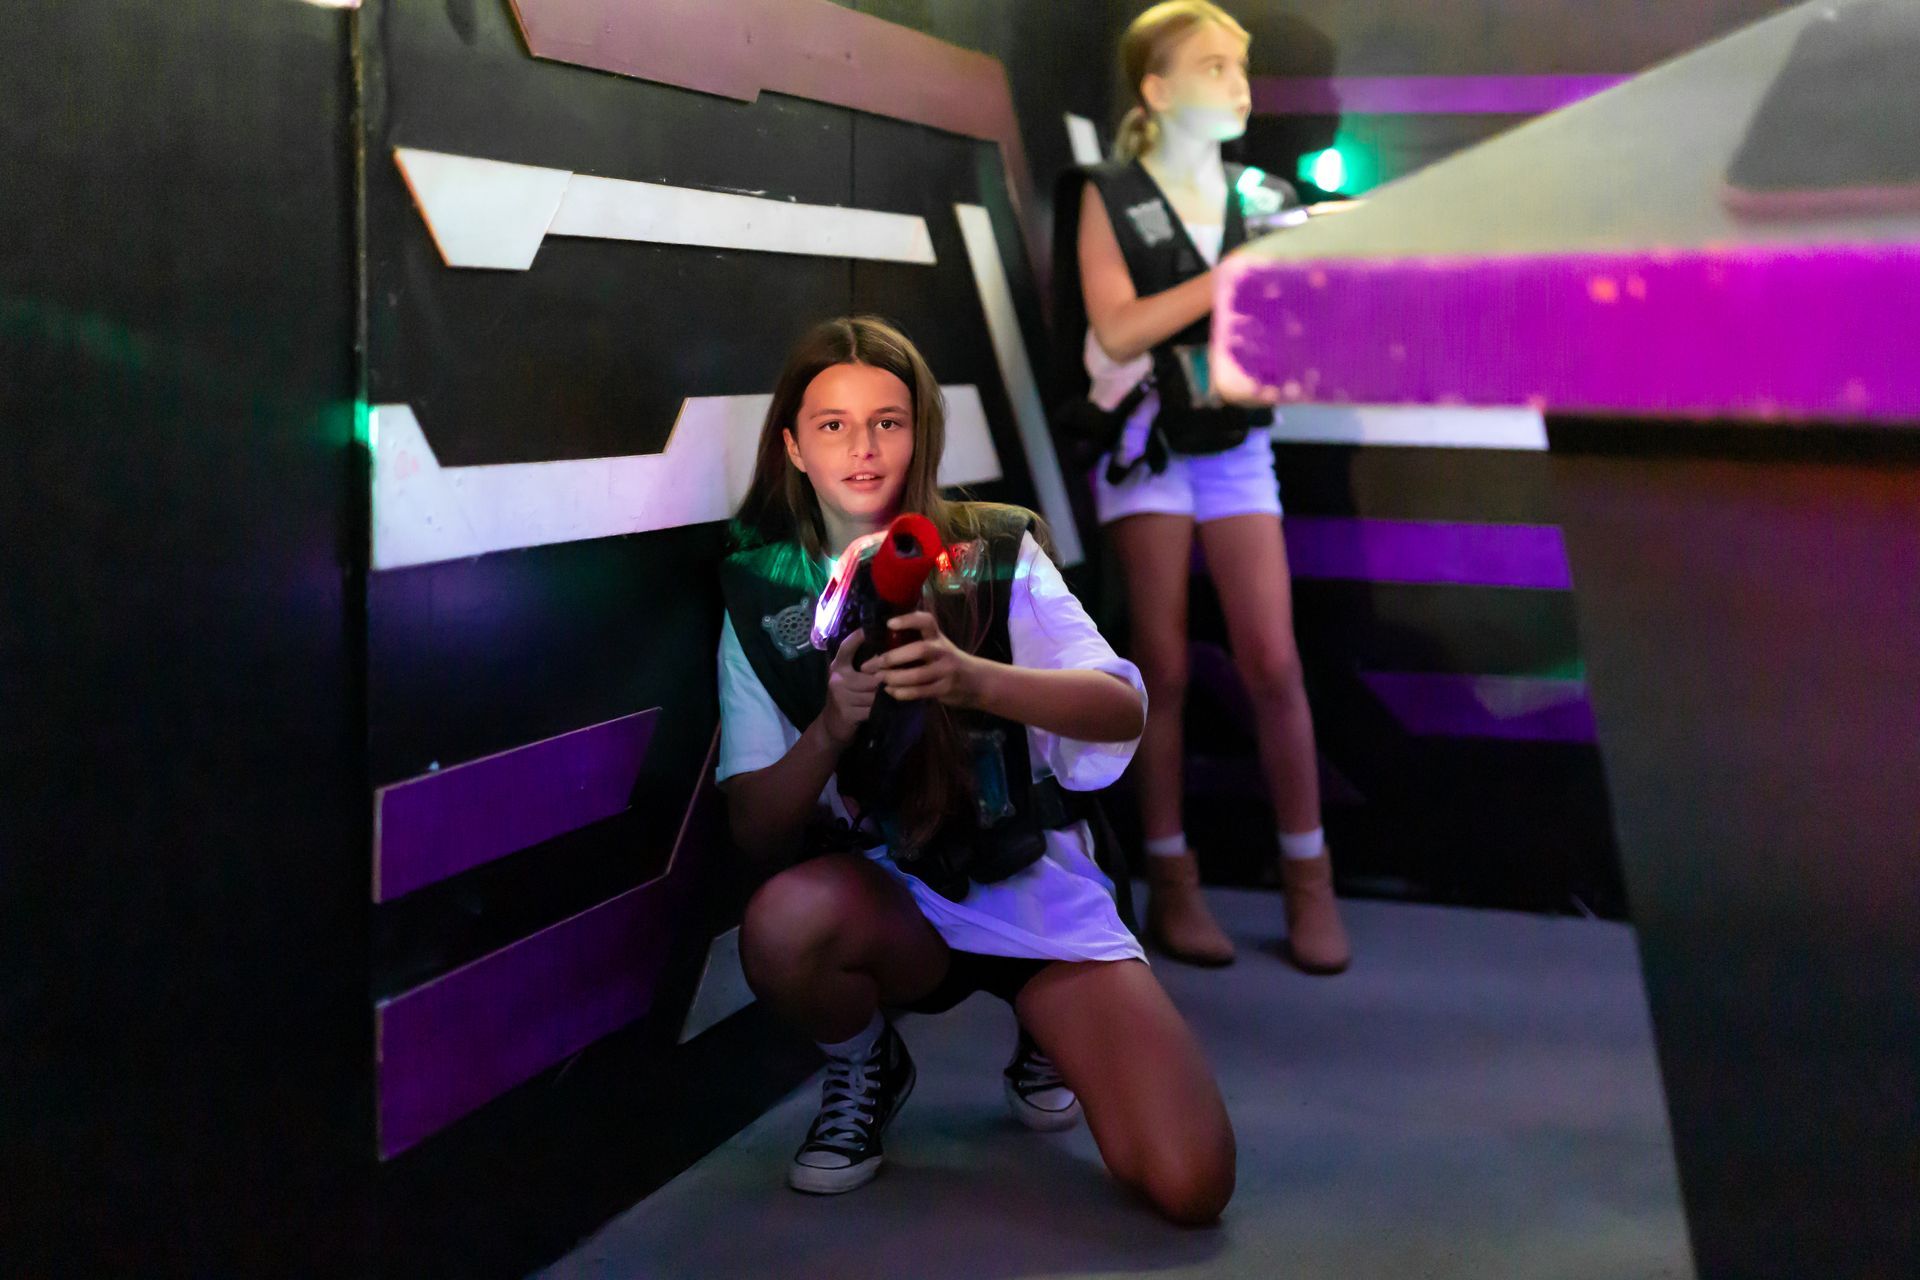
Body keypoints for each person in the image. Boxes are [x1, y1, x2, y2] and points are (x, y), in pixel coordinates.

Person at [715, 315, 1234, 1224]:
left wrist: (974, 678)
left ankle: (1045, 1031)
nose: (864, 447)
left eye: (888, 419)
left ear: (921, 431)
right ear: (793, 446)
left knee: (1190, 1184)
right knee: (785, 925)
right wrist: (833, 726)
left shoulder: (995, 548)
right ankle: (866, 1062)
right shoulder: (764, 594)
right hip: (895, 898)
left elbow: (1123, 707)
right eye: (833, 424)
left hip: (1027, 876)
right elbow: (754, 828)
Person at [1059, 0, 1351, 972]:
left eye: (1241, 66)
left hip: (1233, 446)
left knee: (1272, 660)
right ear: (1156, 86)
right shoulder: (1107, 190)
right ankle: (1172, 878)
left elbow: (1296, 334)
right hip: (1143, 443)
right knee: (1165, 667)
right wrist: (1232, 276)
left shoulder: (1263, 193)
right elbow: (1113, 332)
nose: (1237, 83)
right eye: (1214, 65)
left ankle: (1310, 877)